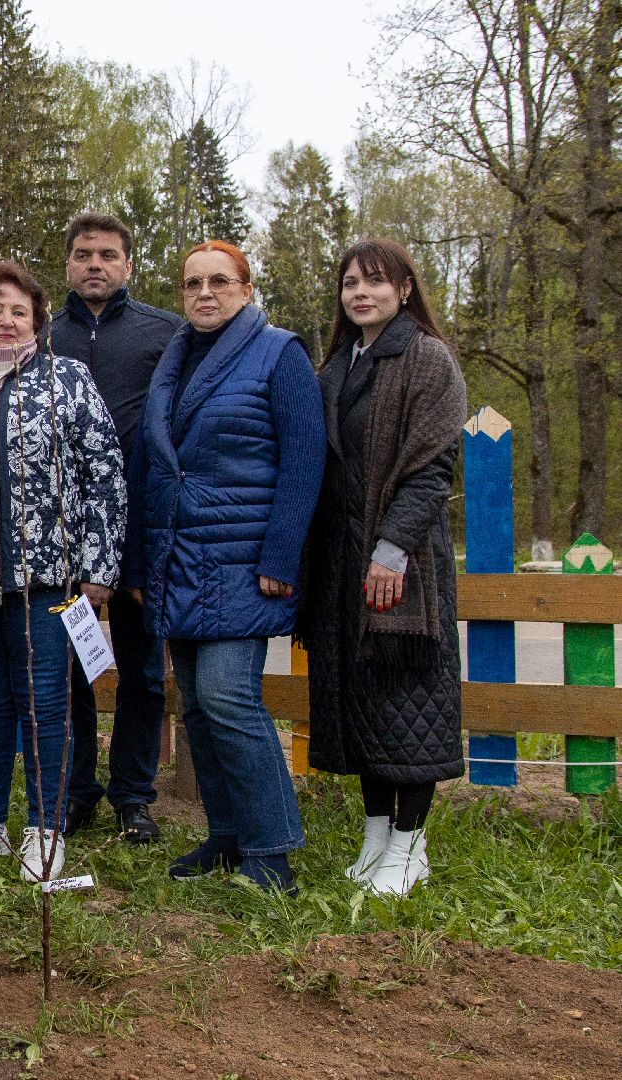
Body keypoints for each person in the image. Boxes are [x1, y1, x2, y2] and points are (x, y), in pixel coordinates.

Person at [122, 240, 325, 895]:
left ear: (246, 287)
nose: (205, 293)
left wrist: (282, 556)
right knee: (199, 710)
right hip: (180, 557)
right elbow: (153, 463)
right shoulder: (176, 360)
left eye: (219, 282)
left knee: (229, 697)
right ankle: (229, 834)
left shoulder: (279, 353)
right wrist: (141, 559)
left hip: (242, 557)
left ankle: (273, 852)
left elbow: (303, 459)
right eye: (192, 284)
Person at [0, 260, 126, 883]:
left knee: (45, 703)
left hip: (46, 580)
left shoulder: (66, 380)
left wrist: (98, 566)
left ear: (38, 322)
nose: (6, 320)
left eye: (19, 311)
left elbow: (104, 475)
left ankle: (46, 828)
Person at [302, 238, 467, 897]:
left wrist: (390, 551)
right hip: (343, 563)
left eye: (374, 282)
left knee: (409, 703)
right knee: (362, 702)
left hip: (404, 566)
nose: (360, 293)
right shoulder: (338, 365)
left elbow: (431, 471)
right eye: (349, 283)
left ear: (404, 290)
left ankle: (409, 846)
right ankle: (375, 839)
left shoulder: (427, 359)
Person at [47, 211, 182, 845]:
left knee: (142, 671)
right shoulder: (42, 339)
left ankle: (133, 795)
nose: (95, 264)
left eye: (107, 254)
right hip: (64, 535)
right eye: (83, 255)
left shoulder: (166, 335)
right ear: (68, 265)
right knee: (71, 669)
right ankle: (77, 792)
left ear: (127, 263)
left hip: (143, 533)